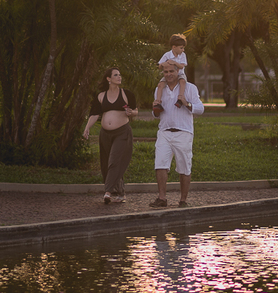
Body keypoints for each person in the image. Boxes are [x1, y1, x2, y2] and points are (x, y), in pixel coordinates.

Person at [150, 59, 203, 208]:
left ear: (178, 71)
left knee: (184, 167)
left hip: (184, 133)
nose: (168, 74)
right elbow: (156, 115)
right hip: (164, 132)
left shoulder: (190, 88)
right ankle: (162, 198)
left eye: (171, 71)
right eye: (165, 72)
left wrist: (186, 103)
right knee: (160, 164)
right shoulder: (159, 89)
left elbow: (200, 108)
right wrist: (154, 109)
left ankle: (183, 200)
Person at [82, 67, 138, 204]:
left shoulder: (126, 94)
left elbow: (135, 110)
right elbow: (95, 114)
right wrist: (87, 128)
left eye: (120, 74)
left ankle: (107, 192)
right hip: (105, 134)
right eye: (116, 75)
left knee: (114, 160)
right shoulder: (101, 96)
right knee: (107, 163)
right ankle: (120, 192)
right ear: (108, 79)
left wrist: (132, 113)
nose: (119, 77)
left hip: (122, 132)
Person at [153, 33, 188, 110]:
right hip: (169, 75)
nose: (183, 50)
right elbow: (159, 66)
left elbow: (182, 66)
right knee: (160, 84)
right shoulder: (167, 55)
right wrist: (163, 64)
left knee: (182, 81)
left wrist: (174, 63)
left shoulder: (183, 55)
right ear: (174, 47)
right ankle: (158, 102)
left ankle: (180, 98)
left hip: (180, 74)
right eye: (181, 48)